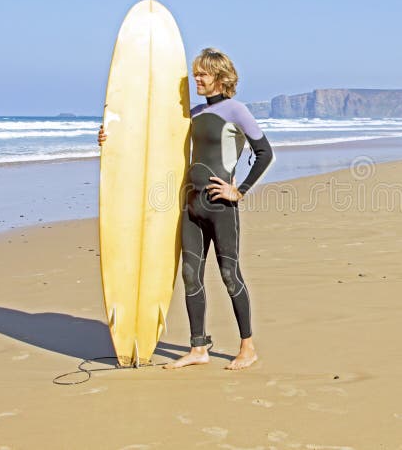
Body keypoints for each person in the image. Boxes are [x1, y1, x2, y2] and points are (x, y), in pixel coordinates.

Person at [98, 48, 274, 370]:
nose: (197, 80)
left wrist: (238, 191)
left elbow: (265, 152)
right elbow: (152, 139)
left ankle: (247, 347)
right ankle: (198, 348)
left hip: (220, 208)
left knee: (229, 274)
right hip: (191, 205)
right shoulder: (193, 114)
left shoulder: (236, 111)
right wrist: (111, 138)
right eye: (195, 74)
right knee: (190, 275)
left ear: (220, 77)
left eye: (202, 74)